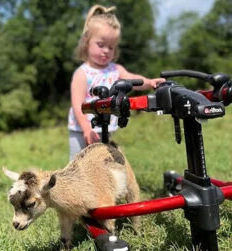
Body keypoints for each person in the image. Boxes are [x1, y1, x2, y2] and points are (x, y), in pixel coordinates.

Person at [68, 4, 165, 160]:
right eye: (101, 45)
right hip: (81, 130)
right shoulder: (82, 74)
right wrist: (86, 129)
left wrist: (149, 82)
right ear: (87, 41)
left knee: (102, 165)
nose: (106, 50)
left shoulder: (115, 69)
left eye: (111, 47)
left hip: (105, 127)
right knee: (77, 166)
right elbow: (77, 105)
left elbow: (133, 80)